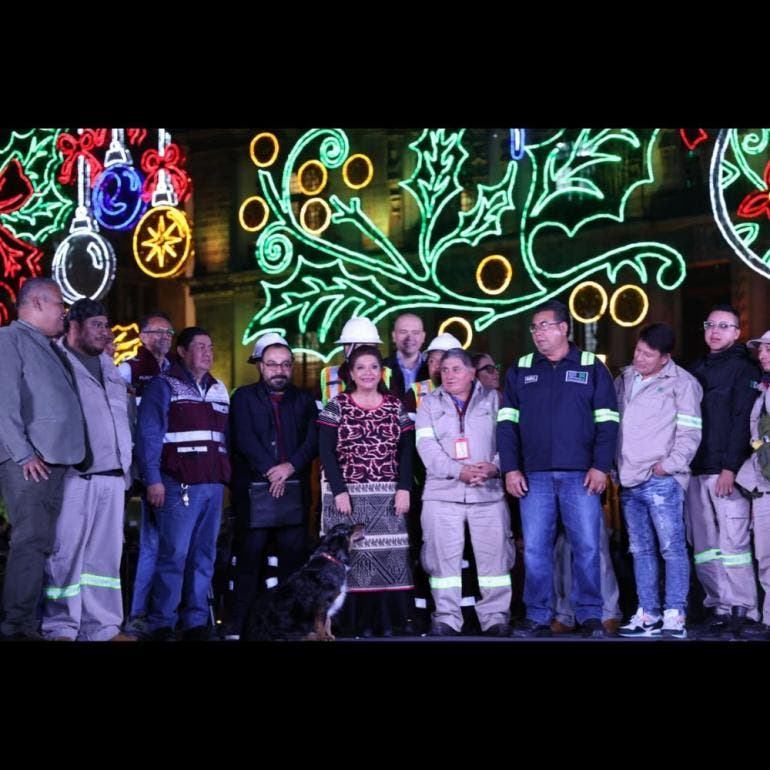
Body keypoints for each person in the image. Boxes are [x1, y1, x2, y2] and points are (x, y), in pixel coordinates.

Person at [498, 299, 619, 638]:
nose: (539, 333)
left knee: (588, 547)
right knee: (535, 549)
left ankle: (591, 616)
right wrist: (510, 468)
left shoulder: (591, 366)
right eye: (534, 327)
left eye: (545, 326)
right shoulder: (520, 369)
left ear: (564, 328)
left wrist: (600, 466)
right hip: (532, 476)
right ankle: (538, 617)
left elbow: (608, 422)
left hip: (581, 475)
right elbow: (506, 424)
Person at [41, 299, 134, 641]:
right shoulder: (56, 362)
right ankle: (61, 626)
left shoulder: (109, 365)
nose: (104, 332)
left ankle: (103, 627)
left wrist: (126, 469)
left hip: (112, 478)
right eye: (97, 325)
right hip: (74, 478)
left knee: (104, 563)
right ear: (74, 327)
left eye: (106, 325)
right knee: (66, 556)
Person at [0, 278, 87, 641]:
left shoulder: (45, 345)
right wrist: (23, 453)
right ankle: (16, 626)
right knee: (31, 541)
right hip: (30, 463)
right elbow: (2, 402)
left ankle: (27, 621)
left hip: (53, 462)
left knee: (42, 544)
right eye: (59, 307)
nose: (63, 315)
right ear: (36, 303)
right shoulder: (9, 339)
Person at [136, 326, 230, 641]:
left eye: (211, 346)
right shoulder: (164, 386)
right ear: (182, 351)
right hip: (177, 485)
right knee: (174, 554)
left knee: (205, 555)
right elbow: (149, 435)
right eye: (200, 346)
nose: (208, 352)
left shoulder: (219, 389)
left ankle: (196, 622)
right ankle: (162, 622)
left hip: (213, 486)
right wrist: (152, 480)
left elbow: (224, 439)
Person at [416, 348, 514, 636]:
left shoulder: (495, 399)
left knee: (494, 559)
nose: (449, 375)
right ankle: (446, 618)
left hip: (488, 490)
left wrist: (495, 468)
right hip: (442, 492)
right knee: (441, 560)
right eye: (445, 370)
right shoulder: (429, 404)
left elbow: (510, 440)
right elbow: (427, 447)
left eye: (456, 369)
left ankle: (495, 617)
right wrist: (458, 470)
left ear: (472, 373)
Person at [613, 323, 702, 639]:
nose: (639, 358)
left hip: (661, 479)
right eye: (638, 350)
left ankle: (674, 613)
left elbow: (690, 431)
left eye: (648, 355)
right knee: (640, 549)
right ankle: (647, 612)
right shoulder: (624, 379)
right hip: (628, 479)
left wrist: (670, 466)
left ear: (665, 358)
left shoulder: (682, 383)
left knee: (671, 548)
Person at [318, 345, 414, 637]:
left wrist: (404, 489)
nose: (368, 373)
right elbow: (326, 450)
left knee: (388, 557)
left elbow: (407, 452)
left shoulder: (395, 405)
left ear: (381, 372)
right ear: (351, 373)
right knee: (354, 559)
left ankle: (385, 622)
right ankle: (355, 624)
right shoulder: (337, 405)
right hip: (347, 495)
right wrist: (339, 491)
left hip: (388, 495)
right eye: (361, 367)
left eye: (374, 367)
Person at [228, 333, 318, 639]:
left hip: (294, 492)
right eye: (271, 364)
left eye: (284, 365)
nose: (278, 370)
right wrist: (271, 470)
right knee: (249, 562)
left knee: (293, 568)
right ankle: (241, 626)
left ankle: (289, 628)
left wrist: (288, 467)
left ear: (291, 366)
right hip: (255, 492)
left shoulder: (304, 399)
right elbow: (243, 438)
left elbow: (312, 440)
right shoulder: (242, 397)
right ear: (260, 367)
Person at [688, 304, 761, 638]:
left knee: (733, 544)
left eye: (723, 326)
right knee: (704, 546)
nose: (714, 331)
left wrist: (730, 467)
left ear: (737, 332)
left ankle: (742, 609)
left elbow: (741, 423)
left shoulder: (744, 369)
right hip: (695, 470)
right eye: (709, 324)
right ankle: (717, 605)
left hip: (725, 471)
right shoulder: (696, 369)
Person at [118, 312, 174, 636]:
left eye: (168, 331)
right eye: (156, 331)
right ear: (142, 337)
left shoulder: (171, 372)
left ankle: (144, 612)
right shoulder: (127, 370)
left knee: (155, 544)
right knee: (119, 543)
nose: (164, 336)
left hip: (159, 468)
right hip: (130, 468)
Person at [735, 330, 770, 639]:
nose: (762, 354)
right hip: (763, 483)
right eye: (761, 350)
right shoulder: (763, 390)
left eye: (768, 350)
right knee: (765, 555)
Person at [317, 316, 394, 408]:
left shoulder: (389, 377)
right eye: (349, 345)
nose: (354, 351)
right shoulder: (328, 376)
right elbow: (317, 415)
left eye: (364, 346)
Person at [383, 312, 429, 399]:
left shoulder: (432, 370)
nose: (410, 337)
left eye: (415, 332)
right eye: (403, 332)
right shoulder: (380, 368)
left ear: (423, 337)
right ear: (394, 336)